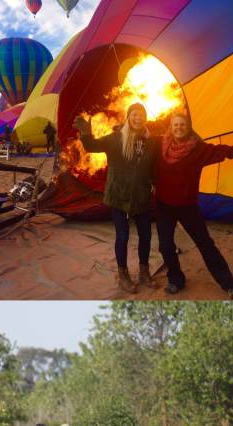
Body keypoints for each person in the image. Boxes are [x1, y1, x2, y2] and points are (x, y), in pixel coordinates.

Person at [154, 110, 233, 300]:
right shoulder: (160, 145)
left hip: (188, 206)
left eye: (183, 125)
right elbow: (139, 145)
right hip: (164, 206)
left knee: (205, 244)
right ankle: (176, 279)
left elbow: (227, 151)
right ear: (170, 127)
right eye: (175, 125)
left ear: (188, 128)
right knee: (165, 246)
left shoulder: (199, 149)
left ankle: (229, 283)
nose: (179, 128)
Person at [73, 103, 159, 294]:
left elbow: (153, 166)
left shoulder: (151, 142)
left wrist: (154, 183)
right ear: (128, 117)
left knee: (146, 235)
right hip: (119, 196)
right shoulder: (116, 139)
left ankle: (144, 272)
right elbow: (92, 146)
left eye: (141, 115)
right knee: (123, 236)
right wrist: (86, 133)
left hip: (141, 196)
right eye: (134, 115)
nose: (138, 118)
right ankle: (123, 275)